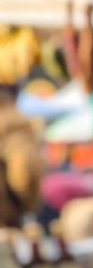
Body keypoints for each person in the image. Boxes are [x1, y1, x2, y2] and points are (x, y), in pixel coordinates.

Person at [0, 84, 43, 229]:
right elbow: (25, 171)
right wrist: (25, 204)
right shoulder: (18, 122)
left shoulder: (11, 125)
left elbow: (24, 169)